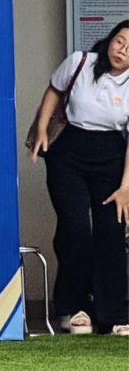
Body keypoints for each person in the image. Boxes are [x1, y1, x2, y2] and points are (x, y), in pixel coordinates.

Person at [29, 19, 129, 336]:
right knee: (75, 228)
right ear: (110, 39)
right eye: (120, 41)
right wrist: (41, 129)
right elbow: (54, 91)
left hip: (112, 157)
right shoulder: (81, 62)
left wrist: (126, 186)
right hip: (68, 153)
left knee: (111, 232)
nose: (123, 50)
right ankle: (72, 308)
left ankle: (112, 313)